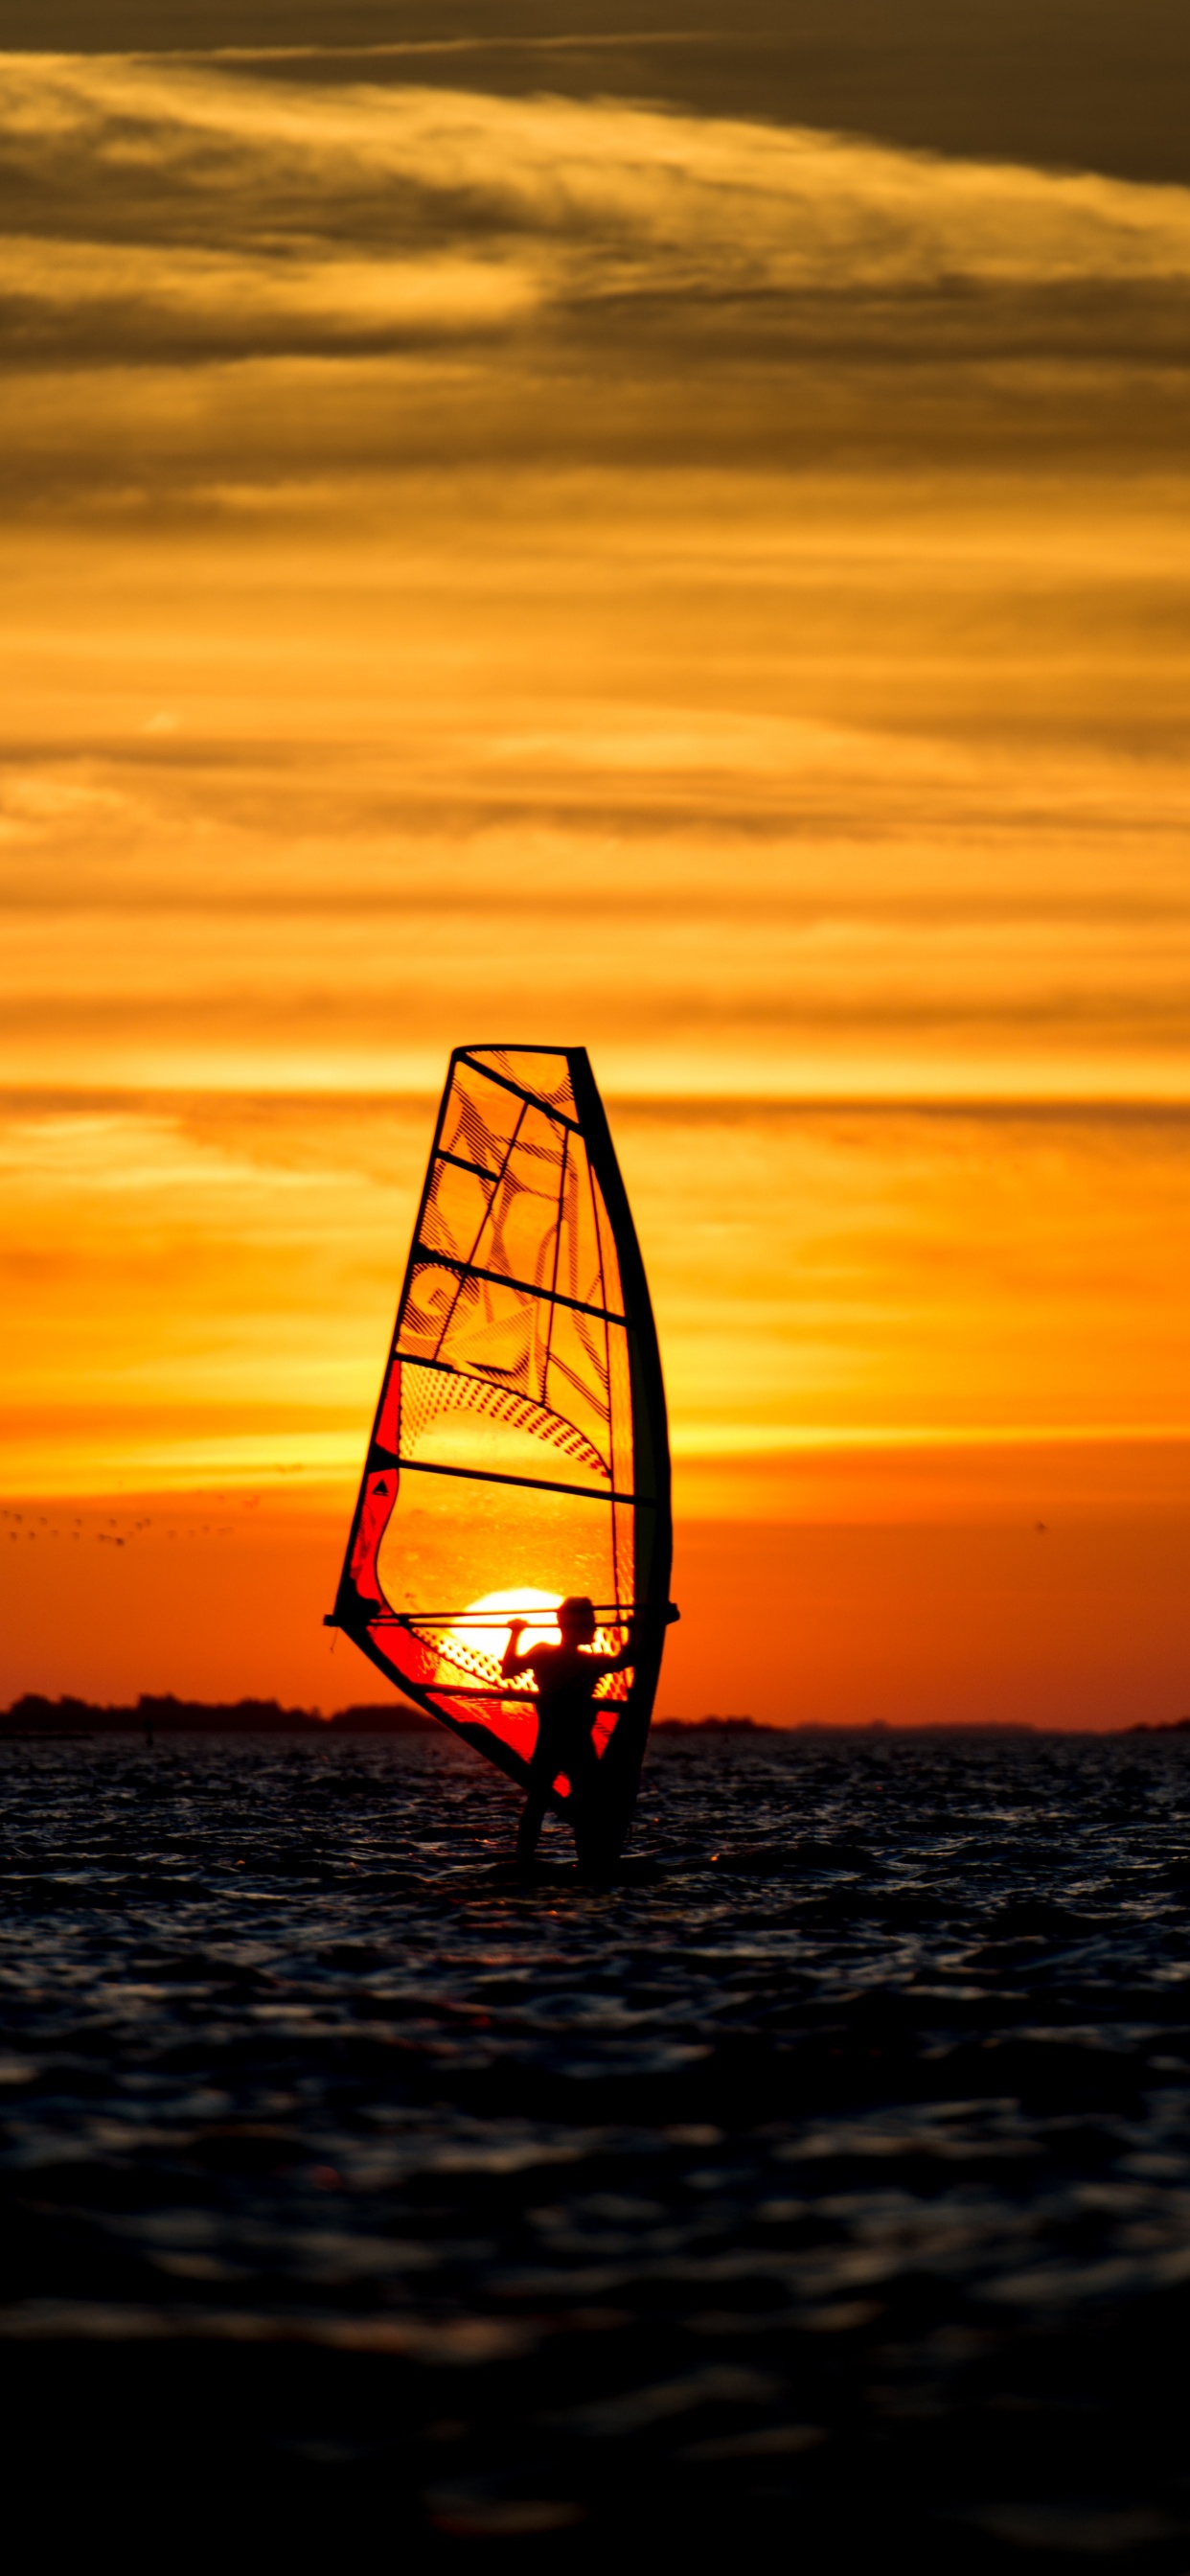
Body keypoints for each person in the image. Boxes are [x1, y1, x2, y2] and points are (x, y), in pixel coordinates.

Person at [502, 1596, 637, 1873]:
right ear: (574, 1627)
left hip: (559, 1744)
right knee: (572, 1806)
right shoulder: (569, 1659)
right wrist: (638, 1629)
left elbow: (627, 1658)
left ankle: (530, 1861)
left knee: (546, 1804)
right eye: (590, 1624)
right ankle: (580, 1863)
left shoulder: (579, 1660)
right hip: (568, 1745)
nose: (595, 1630)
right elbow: (508, 1671)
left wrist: (516, 1634)